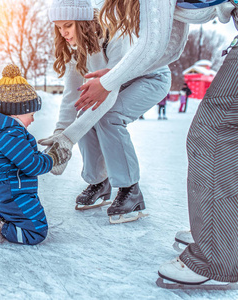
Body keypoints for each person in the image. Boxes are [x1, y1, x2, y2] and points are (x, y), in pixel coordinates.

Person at [72, 0, 238, 287]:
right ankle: (222, 233)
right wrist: (113, 76)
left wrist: (111, 80)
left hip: (154, 78)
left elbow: (151, 45)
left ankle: (217, 257)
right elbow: (170, 47)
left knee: (214, 131)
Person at [40, 0, 171, 223]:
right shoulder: (76, 47)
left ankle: (131, 191)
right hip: (113, 83)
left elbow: (110, 92)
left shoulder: (114, 31)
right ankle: (99, 182)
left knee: (109, 118)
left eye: (68, 25)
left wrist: (69, 138)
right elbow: (73, 93)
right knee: (84, 117)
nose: (63, 33)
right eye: (59, 27)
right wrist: (62, 131)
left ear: (83, 22)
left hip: (150, 78)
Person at [0, 64, 70, 245]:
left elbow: (25, 160)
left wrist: (44, 155)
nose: (33, 119)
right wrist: (53, 158)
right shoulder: (10, 134)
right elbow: (32, 165)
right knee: (36, 231)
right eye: (31, 114)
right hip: (12, 193)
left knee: (32, 220)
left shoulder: (6, 133)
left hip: (8, 190)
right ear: (18, 112)